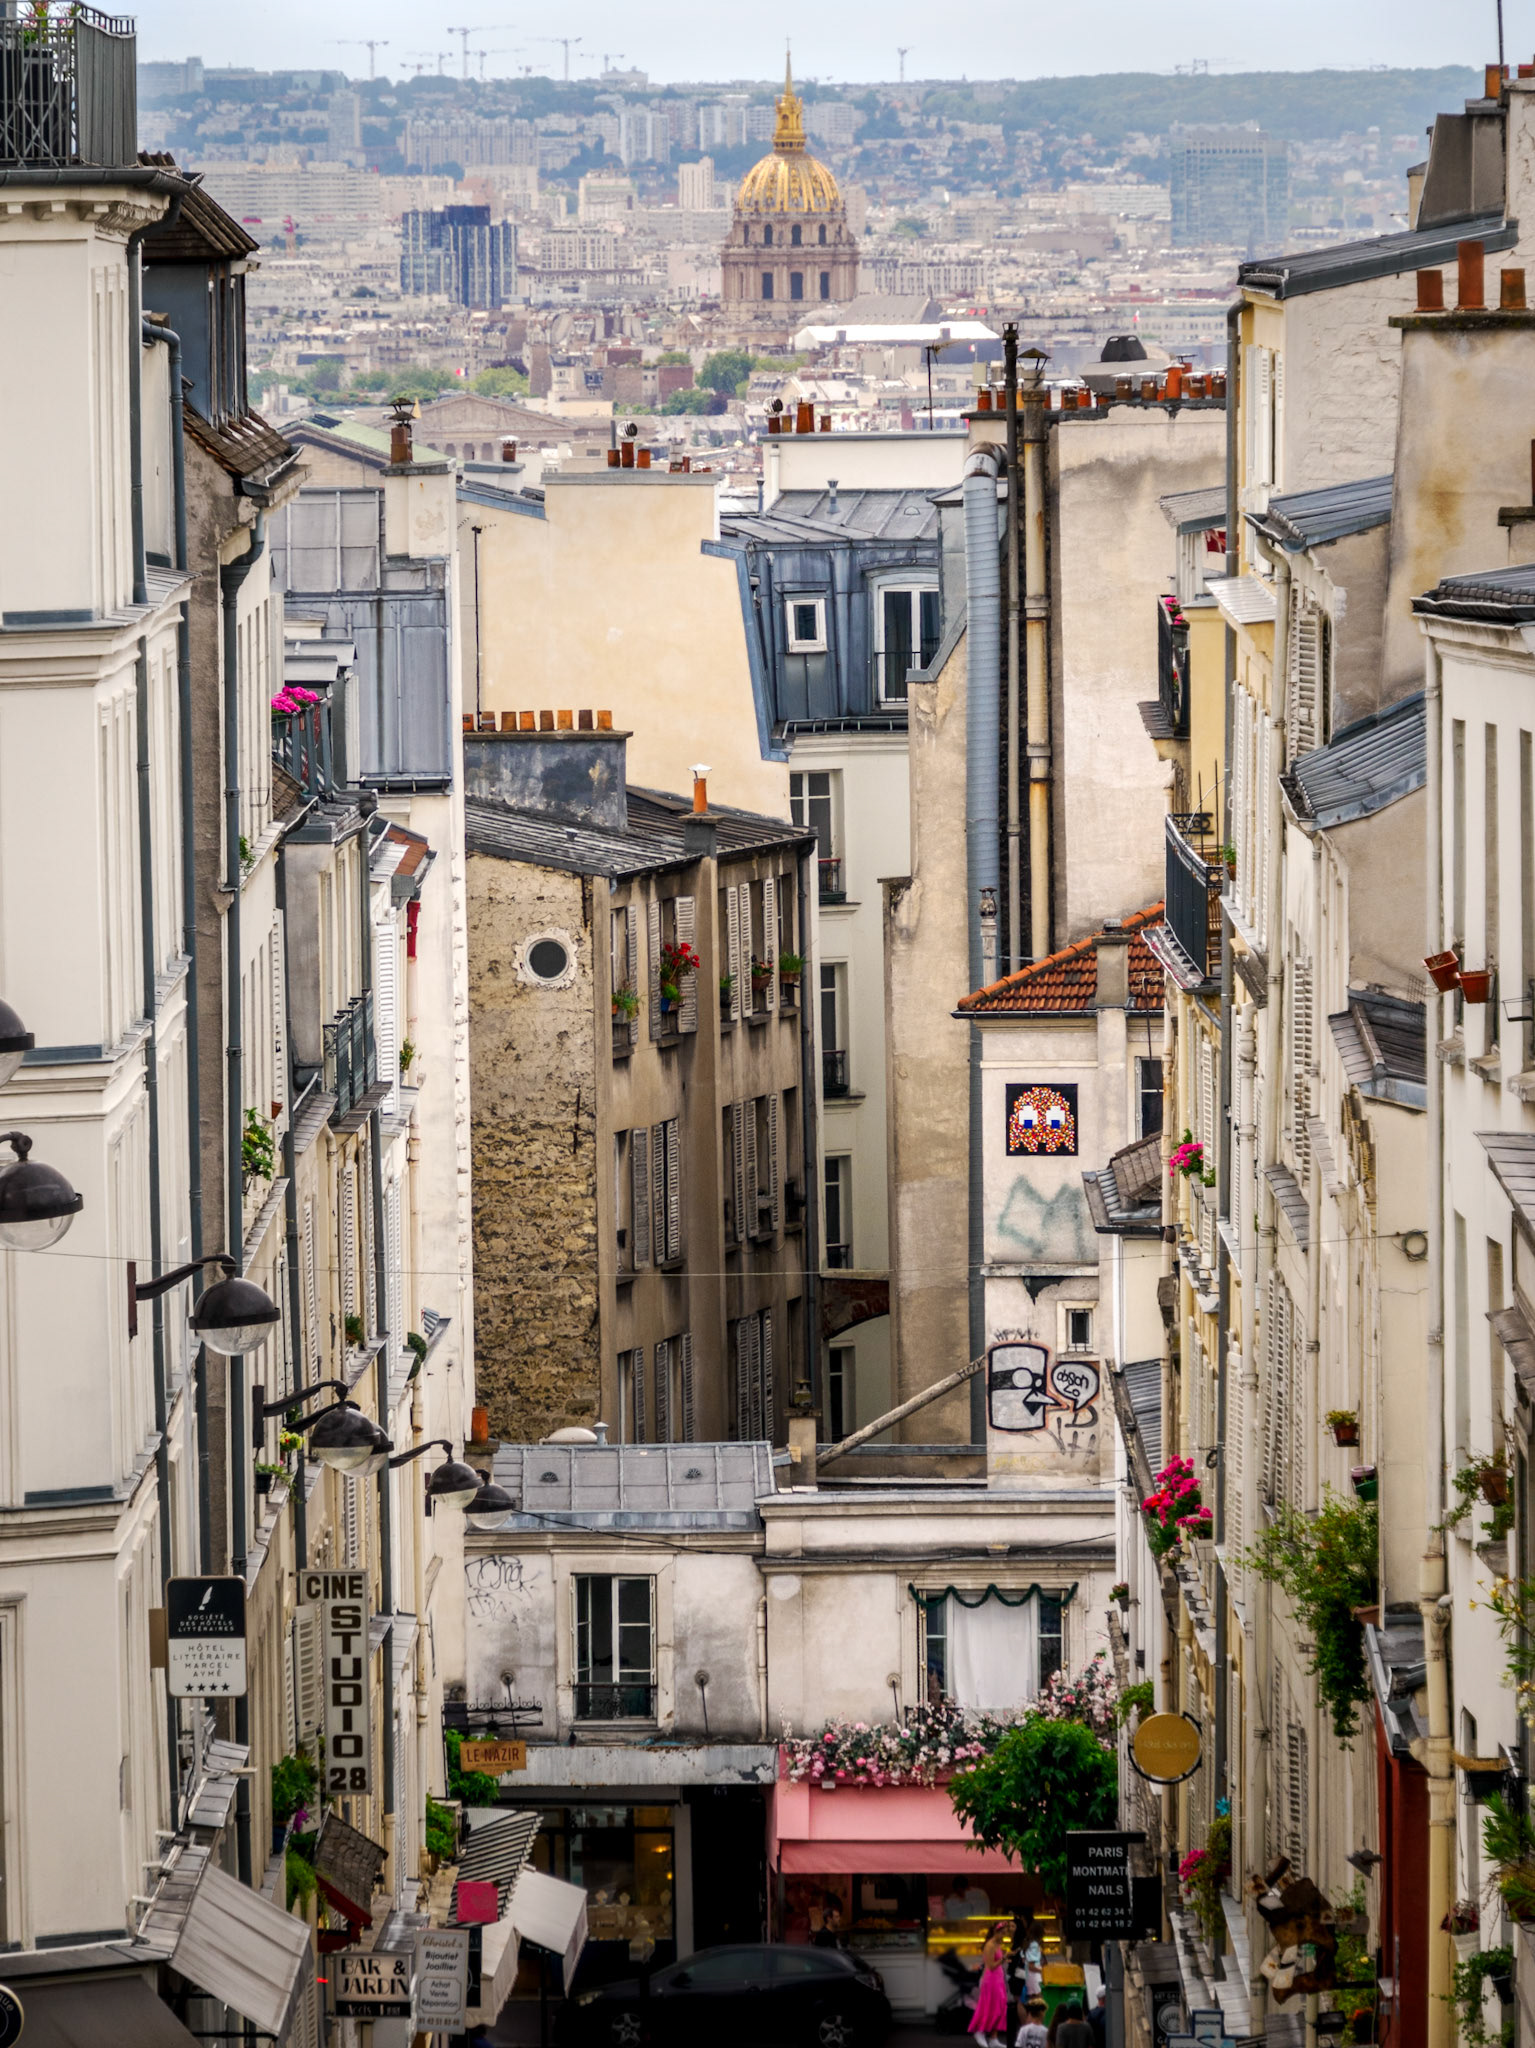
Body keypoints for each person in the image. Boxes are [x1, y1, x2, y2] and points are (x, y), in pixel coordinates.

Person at [969, 1924, 1010, 2048]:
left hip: (998, 1980)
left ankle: (993, 2038)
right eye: (1002, 1933)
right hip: (991, 1981)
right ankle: (979, 2031)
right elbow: (991, 1966)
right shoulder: (990, 1945)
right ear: (996, 1932)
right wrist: (1003, 1959)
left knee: (1000, 2008)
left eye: (1005, 1933)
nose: (1004, 1936)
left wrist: (1005, 1958)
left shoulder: (997, 1944)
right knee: (988, 2007)